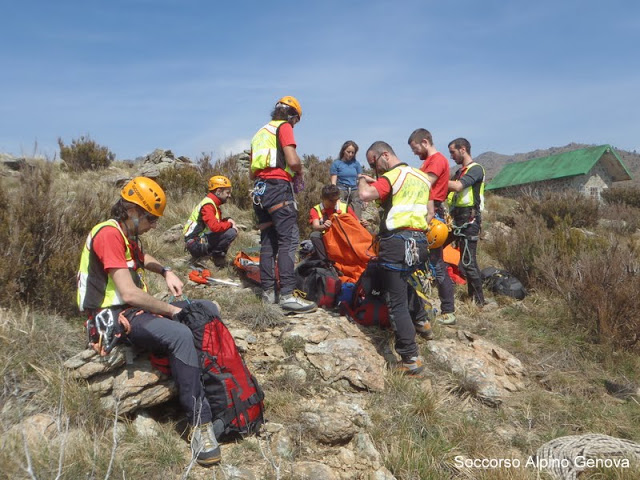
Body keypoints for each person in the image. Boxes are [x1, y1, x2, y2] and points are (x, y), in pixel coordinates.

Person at [76, 177, 221, 466]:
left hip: (133, 309)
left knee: (207, 308)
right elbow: (129, 294)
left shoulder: (126, 236)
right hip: (116, 317)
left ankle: (211, 384)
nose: (154, 224)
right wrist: (170, 310)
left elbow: (142, 258)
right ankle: (199, 424)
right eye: (151, 218)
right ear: (132, 211)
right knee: (179, 333)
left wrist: (166, 270)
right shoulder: (108, 234)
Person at [358, 142, 435, 375]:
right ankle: (422, 320)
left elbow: (364, 195)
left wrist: (363, 179)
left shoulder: (392, 176)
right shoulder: (422, 178)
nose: (375, 170)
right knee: (401, 281)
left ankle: (410, 357)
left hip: (396, 242)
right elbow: (430, 212)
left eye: (373, 163)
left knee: (395, 301)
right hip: (420, 242)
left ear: (384, 155)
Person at [250, 95, 317, 313]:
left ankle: (268, 293)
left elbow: (252, 172)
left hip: (260, 190)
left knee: (268, 242)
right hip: (279, 187)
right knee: (288, 240)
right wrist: (299, 171)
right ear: (292, 115)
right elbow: (293, 160)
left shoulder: (259, 133)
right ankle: (288, 294)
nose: (295, 124)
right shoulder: (284, 127)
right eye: (296, 120)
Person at [408, 129, 456, 325]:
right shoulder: (429, 162)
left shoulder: (436, 160)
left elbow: (426, 183)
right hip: (429, 212)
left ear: (425, 142)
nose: (414, 152)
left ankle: (448, 310)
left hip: (433, 214)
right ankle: (425, 306)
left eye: (415, 148)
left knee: (436, 263)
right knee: (425, 262)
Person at [447, 138, 486, 306]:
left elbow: (458, 187)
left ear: (463, 149)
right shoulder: (459, 172)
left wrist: (435, 180)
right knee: (437, 248)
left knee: (468, 262)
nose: (451, 156)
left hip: (469, 220)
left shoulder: (475, 169)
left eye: (453, 152)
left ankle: (478, 301)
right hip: (456, 219)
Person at [183, 175, 238, 268]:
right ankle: (214, 257)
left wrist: (227, 219)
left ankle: (212, 256)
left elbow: (216, 224)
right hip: (195, 244)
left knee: (228, 227)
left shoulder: (212, 203)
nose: (229, 195)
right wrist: (230, 224)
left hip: (196, 241)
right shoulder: (208, 205)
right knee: (231, 232)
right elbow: (215, 227)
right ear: (218, 191)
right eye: (227, 192)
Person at [309, 184, 365, 263]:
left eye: (336, 200)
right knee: (314, 235)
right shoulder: (316, 209)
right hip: (327, 240)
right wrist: (323, 226)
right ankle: (326, 263)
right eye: (331, 200)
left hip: (343, 238)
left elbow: (356, 223)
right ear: (323, 198)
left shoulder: (344, 207)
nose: (334, 203)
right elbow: (315, 226)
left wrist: (362, 224)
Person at [330, 140, 365, 217]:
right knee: (341, 212)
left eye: (353, 153)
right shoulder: (336, 164)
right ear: (343, 151)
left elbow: (360, 178)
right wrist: (334, 194)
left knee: (356, 213)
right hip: (341, 189)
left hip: (354, 190)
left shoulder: (356, 164)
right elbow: (333, 182)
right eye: (348, 152)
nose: (350, 154)